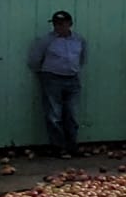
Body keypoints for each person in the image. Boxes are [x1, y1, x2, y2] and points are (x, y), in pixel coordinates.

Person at [26, 10, 88, 158]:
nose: (58, 27)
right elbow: (34, 59)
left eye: (62, 24)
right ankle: (58, 147)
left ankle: (72, 146)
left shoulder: (79, 40)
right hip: (52, 78)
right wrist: (43, 73)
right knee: (54, 114)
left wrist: (74, 69)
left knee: (71, 114)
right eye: (56, 24)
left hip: (72, 78)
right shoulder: (46, 40)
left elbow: (82, 58)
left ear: (70, 24)